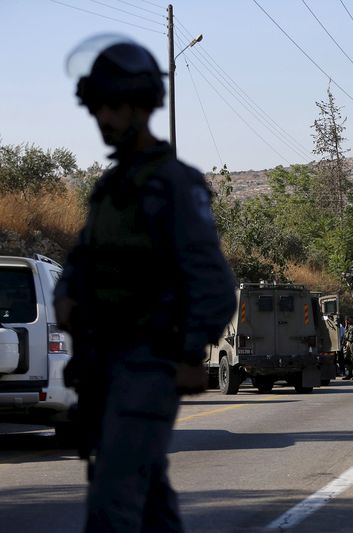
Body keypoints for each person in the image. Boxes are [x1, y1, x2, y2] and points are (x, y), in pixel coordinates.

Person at [55, 35, 236, 532]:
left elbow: (215, 284)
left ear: (142, 106)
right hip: (101, 365)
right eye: (97, 109)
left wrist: (188, 353)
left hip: (147, 366)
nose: (104, 120)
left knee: (112, 509)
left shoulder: (174, 183)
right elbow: (79, 261)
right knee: (150, 502)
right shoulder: (110, 187)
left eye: (114, 107)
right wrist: (66, 298)